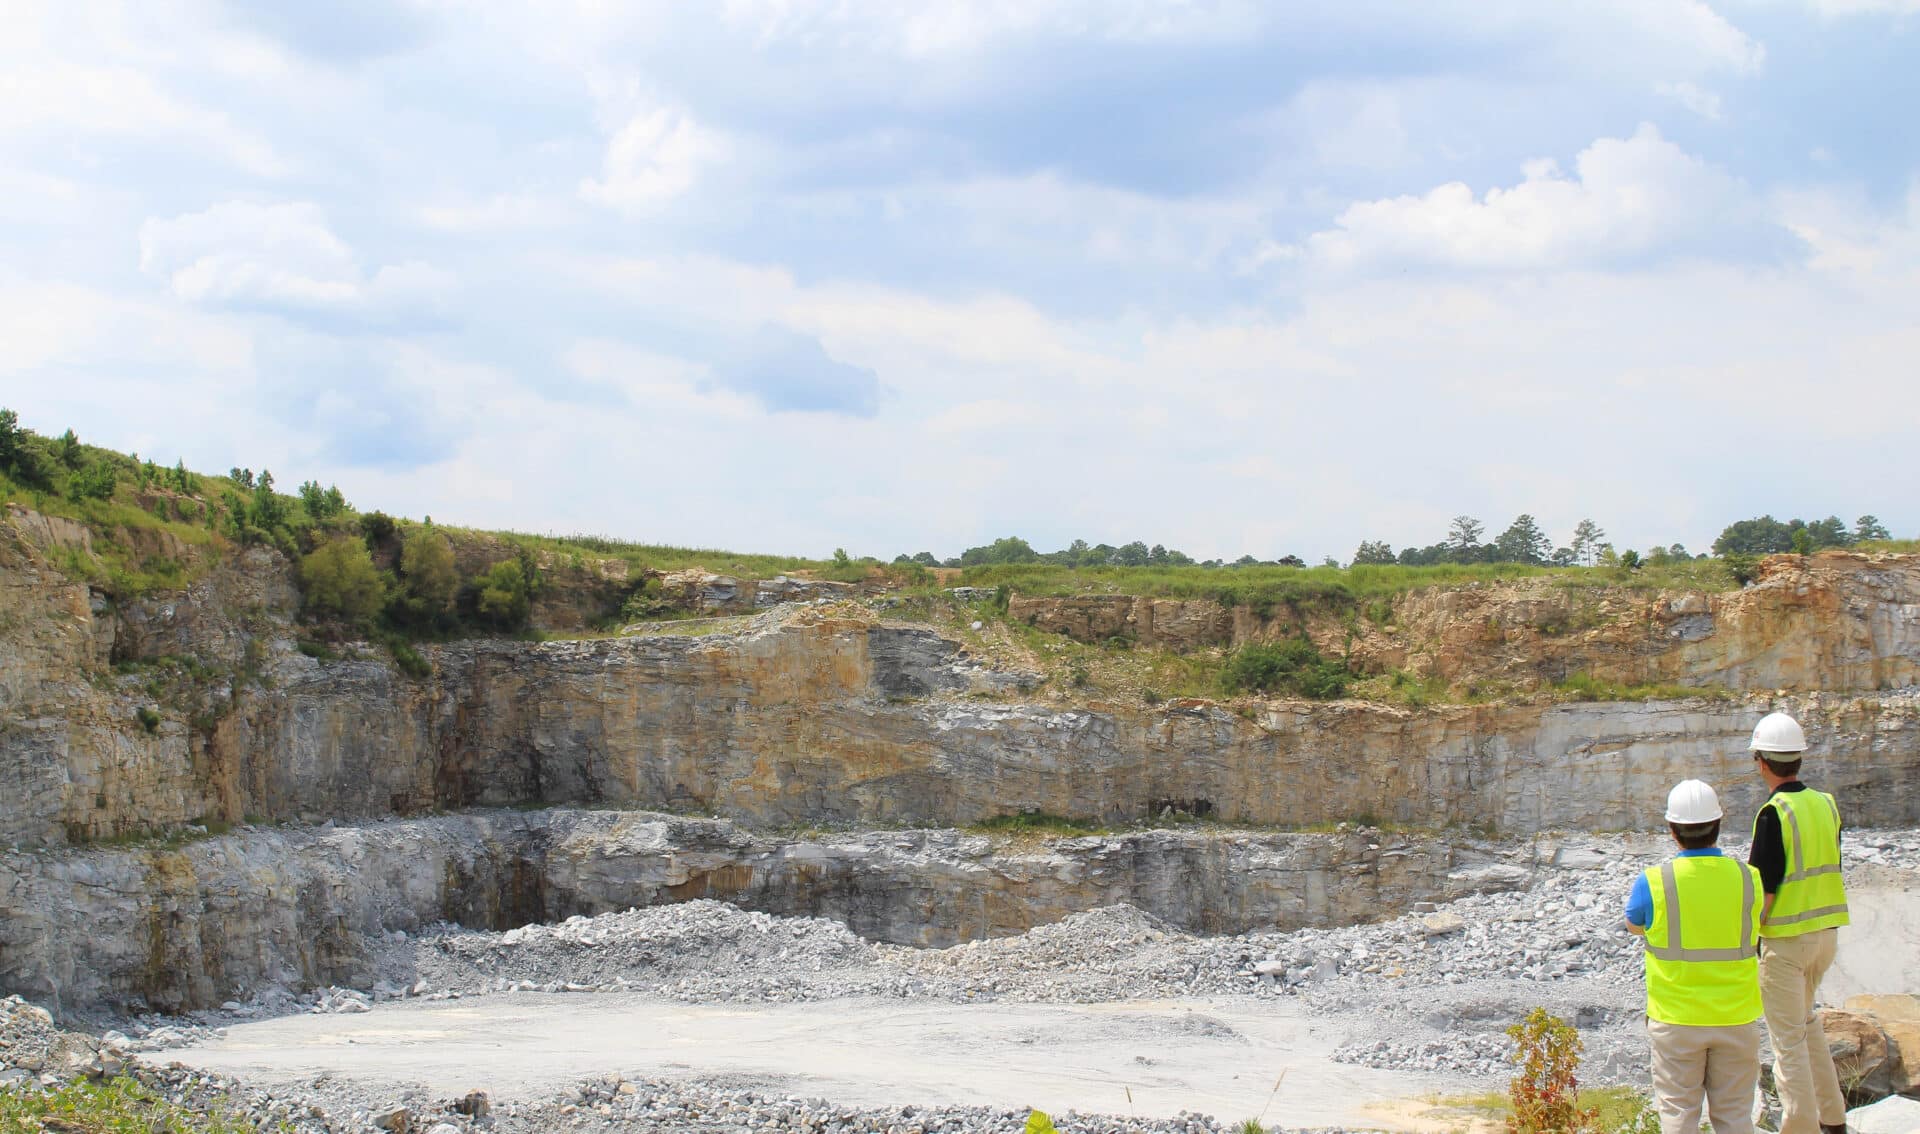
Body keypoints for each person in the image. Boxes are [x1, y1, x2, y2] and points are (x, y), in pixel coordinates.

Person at [1626, 779, 1764, 1134]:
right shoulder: (1749, 878)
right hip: (1737, 1014)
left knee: (1678, 1116)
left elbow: (1634, 924)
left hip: (1676, 1019)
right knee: (1735, 1117)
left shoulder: (1654, 881)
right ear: (1719, 824)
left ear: (1672, 831)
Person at [1747, 711, 1849, 1134]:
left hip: (1786, 943)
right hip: (1826, 936)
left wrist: (1750, 935)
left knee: (1787, 1042)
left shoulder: (1773, 813)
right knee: (1807, 1025)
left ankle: (1800, 1127)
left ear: (1763, 762)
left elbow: (1763, 889)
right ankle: (1834, 1119)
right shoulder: (1825, 804)